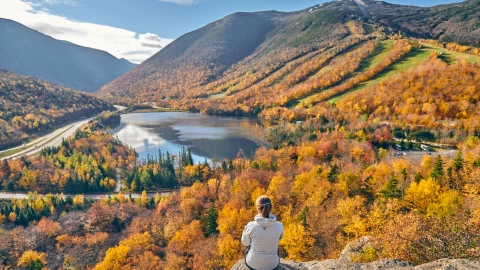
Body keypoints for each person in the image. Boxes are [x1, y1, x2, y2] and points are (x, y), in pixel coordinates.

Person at [241, 195, 284, 270]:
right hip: (272, 265)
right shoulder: (279, 226)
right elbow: (279, 239)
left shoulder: (251, 226)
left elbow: (245, 243)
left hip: (253, 264)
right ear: (270, 208)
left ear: (258, 209)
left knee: (249, 246)